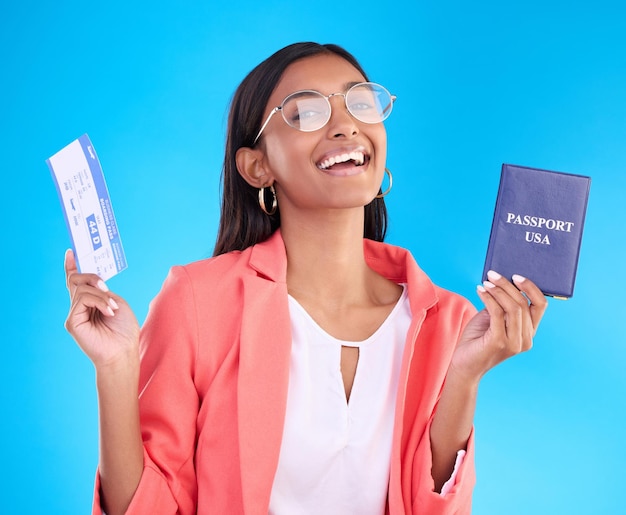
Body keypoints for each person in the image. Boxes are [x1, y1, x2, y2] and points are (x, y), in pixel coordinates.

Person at [64, 42, 547, 515]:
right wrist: (116, 369)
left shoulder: (446, 320)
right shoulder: (197, 301)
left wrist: (464, 375)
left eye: (361, 102)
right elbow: (149, 508)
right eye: (304, 113)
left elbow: (434, 506)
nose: (345, 125)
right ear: (258, 167)